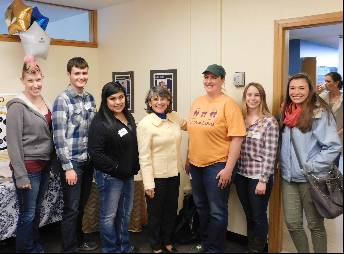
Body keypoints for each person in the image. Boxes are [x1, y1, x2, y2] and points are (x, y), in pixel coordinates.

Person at [186, 64, 246, 253]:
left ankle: (216, 249)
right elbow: (193, 133)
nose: (209, 81)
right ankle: (206, 243)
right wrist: (189, 157)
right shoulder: (197, 102)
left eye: (213, 77)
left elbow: (237, 138)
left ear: (222, 80)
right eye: (206, 77)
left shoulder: (229, 105)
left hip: (217, 165)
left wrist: (229, 168)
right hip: (196, 164)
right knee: (201, 206)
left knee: (217, 210)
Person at [280, 73, 341, 253]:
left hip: (310, 177)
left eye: (301, 88)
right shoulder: (287, 111)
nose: (296, 92)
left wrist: (311, 166)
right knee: (292, 224)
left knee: (315, 224)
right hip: (288, 178)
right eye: (292, 88)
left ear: (310, 90)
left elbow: (332, 147)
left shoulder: (319, 112)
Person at [6, 59, 54, 253]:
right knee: (27, 213)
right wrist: (21, 175)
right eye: (30, 80)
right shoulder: (18, 106)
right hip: (28, 167)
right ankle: (24, 249)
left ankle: (33, 245)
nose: (35, 84)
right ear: (22, 80)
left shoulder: (44, 101)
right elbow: (13, 143)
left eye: (38, 79)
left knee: (36, 211)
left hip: (44, 165)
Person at [52, 57, 97, 253]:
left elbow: (94, 130)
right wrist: (68, 167)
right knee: (71, 208)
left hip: (88, 162)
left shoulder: (90, 98)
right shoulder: (62, 100)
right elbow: (59, 138)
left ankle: (80, 241)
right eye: (77, 73)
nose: (81, 77)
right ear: (69, 75)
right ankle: (69, 248)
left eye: (84, 73)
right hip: (72, 164)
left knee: (81, 205)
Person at [88, 82, 139, 253]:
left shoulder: (127, 115)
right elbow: (96, 154)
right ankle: (110, 249)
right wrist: (117, 168)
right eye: (113, 98)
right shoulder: (100, 122)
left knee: (125, 214)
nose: (118, 102)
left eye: (121, 97)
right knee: (109, 216)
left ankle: (124, 246)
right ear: (105, 100)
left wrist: (133, 166)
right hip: (110, 177)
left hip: (128, 175)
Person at [137, 86, 187, 253]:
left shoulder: (173, 117)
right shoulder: (145, 124)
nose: (160, 102)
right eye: (155, 99)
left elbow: (189, 126)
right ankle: (155, 244)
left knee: (171, 210)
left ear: (169, 101)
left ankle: (167, 240)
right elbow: (143, 156)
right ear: (150, 102)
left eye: (163, 98)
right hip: (156, 176)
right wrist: (148, 183)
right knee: (156, 213)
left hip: (174, 172)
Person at [235, 82, 279, 252]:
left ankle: (258, 249)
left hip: (258, 177)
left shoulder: (269, 122)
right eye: (249, 95)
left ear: (262, 98)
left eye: (256, 95)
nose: (252, 99)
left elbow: (270, 154)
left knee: (258, 216)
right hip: (241, 174)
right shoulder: (240, 119)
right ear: (245, 97)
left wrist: (263, 180)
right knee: (249, 214)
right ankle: (251, 247)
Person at [317, 72, 343, 172]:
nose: (325, 84)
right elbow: (309, 106)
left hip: (337, 137)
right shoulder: (322, 96)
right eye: (325, 81)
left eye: (328, 81)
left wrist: (337, 134)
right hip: (321, 137)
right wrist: (317, 92)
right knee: (320, 168)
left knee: (333, 168)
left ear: (336, 83)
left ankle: (333, 187)